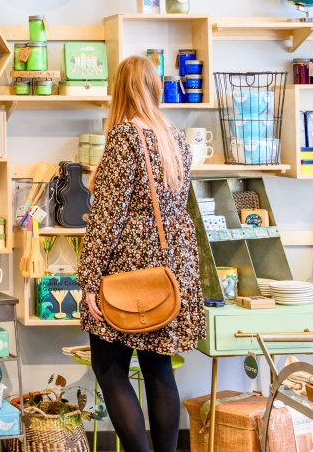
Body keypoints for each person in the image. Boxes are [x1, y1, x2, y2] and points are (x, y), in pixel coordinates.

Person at [77, 55, 206, 452]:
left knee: (109, 365)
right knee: (157, 365)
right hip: (173, 264)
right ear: (152, 89)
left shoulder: (125, 138)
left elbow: (108, 216)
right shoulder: (175, 136)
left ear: (121, 90)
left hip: (129, 265)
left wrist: (89, 281)